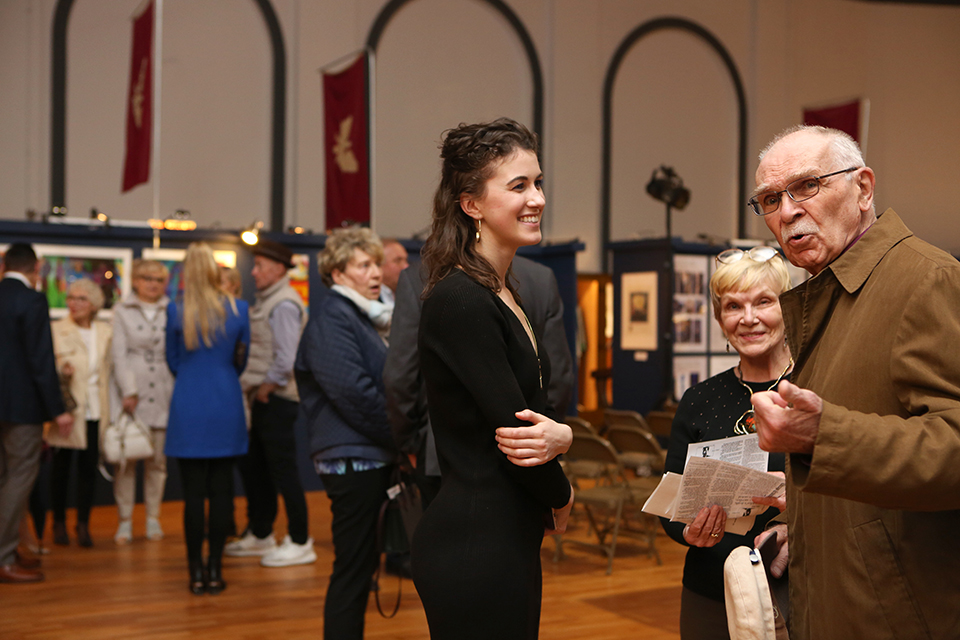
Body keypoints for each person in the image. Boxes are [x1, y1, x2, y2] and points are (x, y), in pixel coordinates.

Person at [748, 125, 960, 639]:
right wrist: (802, 530)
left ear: (863, 189)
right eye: (771, 199)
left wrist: (823, 436)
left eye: (808, 186)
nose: (788, 211)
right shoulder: (830, 291)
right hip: (840, 599)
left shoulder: (925, 278)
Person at [412, 118, 575, 640]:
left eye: (539, 182)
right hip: (474, 540)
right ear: (472, 204)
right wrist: (562, 493)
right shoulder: (461, 298)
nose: (538, 199)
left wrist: (564, 438)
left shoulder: (504, 290)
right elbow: (519, 433)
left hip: (505, 532)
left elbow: (538, 417)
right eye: (519, 185)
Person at [660, 247, 791, 640]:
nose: (748, 318)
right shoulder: (699, 399)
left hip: (799, 585)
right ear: (720, 320)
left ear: (787, 307)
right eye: (733, 306)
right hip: (709, 589)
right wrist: (687, 532)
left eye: (763, 302)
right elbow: (671, 502)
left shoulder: (814, 389)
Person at [385, 254, 575, 511]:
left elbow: (400, 374)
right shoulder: (540, 277)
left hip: (445, 454)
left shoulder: (420, 276)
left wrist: (409, 443)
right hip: (524, 455)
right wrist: (542, 440)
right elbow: (557, 377)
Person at [293, 226, 396, 640]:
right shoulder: (333, 319)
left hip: (368, 457)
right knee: (353, 571)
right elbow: (356, 395)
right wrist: (403, 440)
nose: (375, 273)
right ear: (337, 274)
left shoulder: (363, 317)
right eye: (363, 265)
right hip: (353, 461)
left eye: (376, 264)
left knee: (361, 567)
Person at [165, 242, 250, 595]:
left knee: (193, 495)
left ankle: (195, 572)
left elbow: (172, 360)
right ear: (216, 271)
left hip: (188, 403)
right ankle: (215, 570)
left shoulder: (176, 311)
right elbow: (241, 362)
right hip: (225, 401)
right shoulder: (238, 309)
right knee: (221, 493)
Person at [228, 239, 313, 567]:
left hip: (275, 399)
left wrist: (265, 388)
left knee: (283, 471)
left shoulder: (284, 304)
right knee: (256, 468)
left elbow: (286, 358)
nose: (254, 271)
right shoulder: (268, 300)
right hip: (262, 398)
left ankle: (301, 539)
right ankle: (261, 534)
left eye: (261, 265)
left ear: (278, 269)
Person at [0, 243, 72, 583]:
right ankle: (4, 557)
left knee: (5, 479)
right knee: (18, 479)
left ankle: (10, 550)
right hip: (22, 408)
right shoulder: (32, 300)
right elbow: (41, 361)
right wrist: (58, 410)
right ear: (36, 267)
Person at [110, 259, 174, 544]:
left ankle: (153, 518)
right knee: (127, 462)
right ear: (135, 280)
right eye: (147, 278)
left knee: (158, 462)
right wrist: (128, 390)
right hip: (132, 391)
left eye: (158, 280)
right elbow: (119, 355)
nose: (152, 284)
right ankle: (125, 520)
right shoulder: (121, 311)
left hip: (164, 389)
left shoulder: (172, 309)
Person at [48, 278, 112, 549]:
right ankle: (59, 522)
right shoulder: (56, 330)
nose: (74, 303)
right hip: (67, 412)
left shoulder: (106, 331)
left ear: (95, 303)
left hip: (97, 410)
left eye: (81, 298)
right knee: (60, 471)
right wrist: (61, 373)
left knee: (88, 470)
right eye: (71, 298)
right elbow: (45, 370)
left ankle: (83, 524)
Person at [379, 238, 409, 307]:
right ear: (379, 264)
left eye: (406, 260)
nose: (406, 266)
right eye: (398, 260)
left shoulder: (410, 295)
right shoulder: (369, 299)